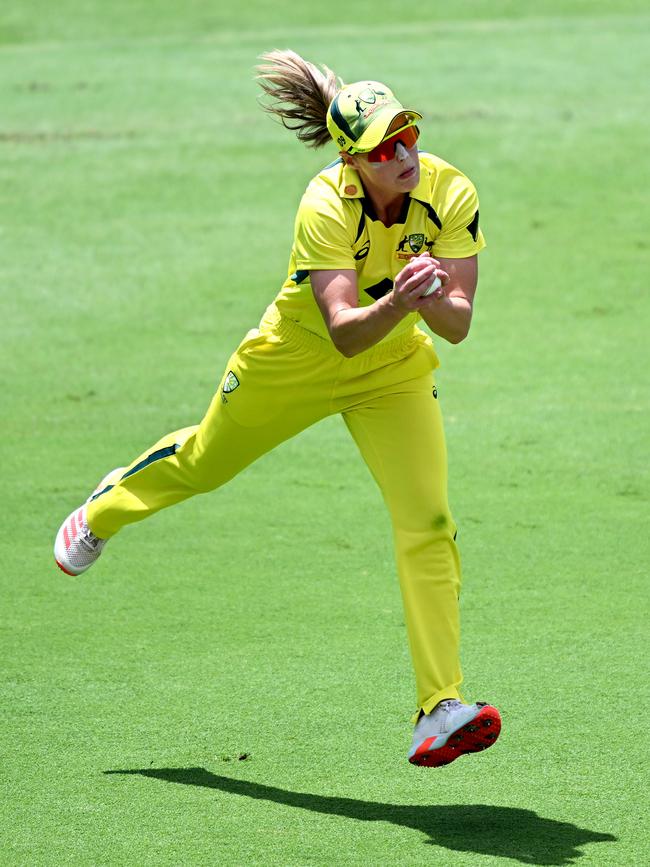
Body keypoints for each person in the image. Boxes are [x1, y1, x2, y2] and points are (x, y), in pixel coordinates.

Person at [54, 50, 501, 768]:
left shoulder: (450, 190)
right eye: (387, 146)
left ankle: (439, 707)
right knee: (205, 463)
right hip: (293, 360)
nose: (407, 153)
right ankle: (107, 506)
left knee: (429, 521)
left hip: (392, 372)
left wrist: (433, 298)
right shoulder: (324, 203)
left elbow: (458, 324)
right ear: (354, 161)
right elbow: (345, 332)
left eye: (409, 133)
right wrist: (401, 298)